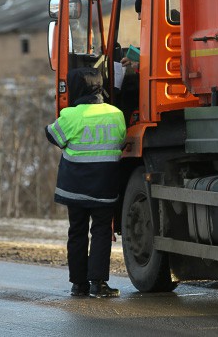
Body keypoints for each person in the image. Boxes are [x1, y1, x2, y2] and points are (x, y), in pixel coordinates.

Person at [45, 67, 126, 298]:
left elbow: (53, 135)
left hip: (75, 188)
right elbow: (120, 142)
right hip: (104, 186)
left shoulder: (71, 115)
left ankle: (78, 284)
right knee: (101, 232)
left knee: (77, 232)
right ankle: (98, 284)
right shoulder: (115, 114)